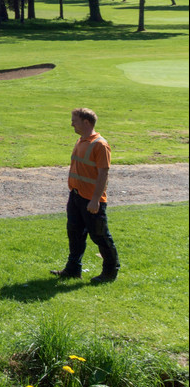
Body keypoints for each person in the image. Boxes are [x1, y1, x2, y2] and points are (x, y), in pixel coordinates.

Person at [51, 108, 120, 284]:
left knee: (100, 236)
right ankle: (73, 269)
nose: (71, 123)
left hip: (91, 200)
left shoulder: (100, 144)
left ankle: (111, 271)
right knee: (74, 234)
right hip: (75, 196)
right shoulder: (81, 140)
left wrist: (96, 200)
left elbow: (103, 174)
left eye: (75, 120)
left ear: (86, 122)